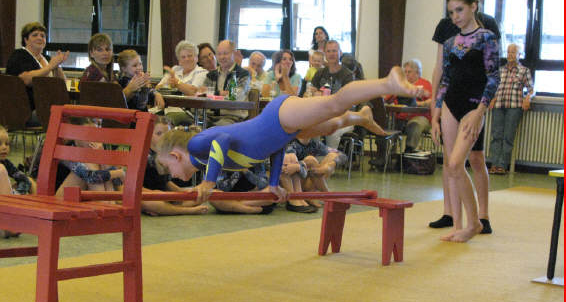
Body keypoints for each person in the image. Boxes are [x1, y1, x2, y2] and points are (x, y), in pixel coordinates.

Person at [157, 65, 422, 205]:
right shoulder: (206, 159)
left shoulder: (197, 145)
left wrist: (209, 182)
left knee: (334, 104)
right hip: (282, 131)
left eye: (167, 167)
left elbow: (222, 140)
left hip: (278, 116)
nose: (171, 175)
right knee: (331, 125)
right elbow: (275, 147)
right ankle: (362, 116)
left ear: (176, 155)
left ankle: (387, 83)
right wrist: (273, 183)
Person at [429, 0, 501, 233]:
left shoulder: (487, 35)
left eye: (459, 10)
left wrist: (481, 110)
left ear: (473, 4)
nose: (455, 16)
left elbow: (493, 77)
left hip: (474, 104)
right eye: (451, 12)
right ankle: (457, 223)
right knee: (451, 163)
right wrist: (435, 110)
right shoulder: (450, 40)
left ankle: (478, 220)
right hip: (451, 103)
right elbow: (445, 75)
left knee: (466, 160)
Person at [371, 59, 433, 168]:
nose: (406, 74)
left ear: (417, 73)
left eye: (409, 72)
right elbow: (386, 98)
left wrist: (418, 104)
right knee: (385, 124)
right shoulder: (401, 85)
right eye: (405, 72)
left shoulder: (425, 84)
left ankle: (407, 156)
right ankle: (384, 156)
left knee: (415, 125)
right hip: (400, 116)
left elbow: (432, 101)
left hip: (420, 116)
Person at [5, 22, 69, 124]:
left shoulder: (47, 58)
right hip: (26, 110)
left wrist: (57, 66)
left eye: (43, 36)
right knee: (68, 117)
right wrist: (50, 67)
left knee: (72, 113)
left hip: (48, 106)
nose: (39, 38)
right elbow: (27, 80)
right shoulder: (19, 55)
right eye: (35, 35)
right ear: (26, 39)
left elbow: (62, 85)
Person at [141, 119, 208, 216]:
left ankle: (169, 208)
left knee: (197, 196)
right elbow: (131, 186)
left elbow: (166, 182)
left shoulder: (167, 154)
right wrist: (156, 194)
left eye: (167, 133)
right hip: (146, 194)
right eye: (159, 133)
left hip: (163, 194)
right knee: (152, 203)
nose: (163, 137)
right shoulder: (142, 154)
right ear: (148, 135)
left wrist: (180, 192)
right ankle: (185, 210)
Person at [488, 43, 534, 175]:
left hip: (514, 107)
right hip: (498, 105)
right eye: (508, 52)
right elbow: (492, 86)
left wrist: (528, 98)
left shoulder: (524, 71)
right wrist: (492, 97)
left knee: (508, 137)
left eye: (513, 52)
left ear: (519, 55)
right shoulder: (500, 70)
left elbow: (531, 89)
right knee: (496, 136)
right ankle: (494, 164)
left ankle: (502, 165)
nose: (510, 55)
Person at [56, 118, 126, 197]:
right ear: (75, 136)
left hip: (82, 196)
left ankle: (107, 203)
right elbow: (91, 177)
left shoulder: (95, 151)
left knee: (103, 169)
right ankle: (105, 203)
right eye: (87, 135)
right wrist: (119, 173)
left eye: (95, 135)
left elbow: (117, 183)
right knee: (91, 166)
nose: (92, 140)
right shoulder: (67, 151)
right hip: (63, 196)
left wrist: (102, 156)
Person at [310, 40, 358, 149]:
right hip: (322, 116)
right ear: (325, 54)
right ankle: (314, 156)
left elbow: (347, 102)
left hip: (344, 117)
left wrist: (321, 95)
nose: (331, 54)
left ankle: (330, 158)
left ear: (340, 53)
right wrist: (312, 93)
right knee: (310, 128)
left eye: (334, 51)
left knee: (332, 130)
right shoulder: (319, 73)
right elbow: (309, 93)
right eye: (328, 51)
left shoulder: (348, 75)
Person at [281, 137, 344, 212]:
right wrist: (300, 167)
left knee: (332, 156)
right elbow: (286, 168)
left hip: (304, 177)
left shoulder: (314, 143)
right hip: (292, 185)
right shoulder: (291, 144)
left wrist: (329, 166)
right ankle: (328, 196)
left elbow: (342, 155)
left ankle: (318, 196)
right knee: (310, 160)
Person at [155, 40, 207, 125]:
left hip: (189, 112)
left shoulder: (202, 72)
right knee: (148, 117)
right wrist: (158, 93)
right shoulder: (175, 69)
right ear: (179, 61)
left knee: (164, 120)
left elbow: (193, 92)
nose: (187, 59)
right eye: (183, 57)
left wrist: (177, 83)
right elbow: (158, 87)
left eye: (190, 56)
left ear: (196, 58)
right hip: (167, 108)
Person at [202, 40, 250, 126]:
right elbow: (203, 95)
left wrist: (214, 94)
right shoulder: (211, 75)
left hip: (232, 118)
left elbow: (234, 97)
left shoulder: (243, 74)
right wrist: (221, 93)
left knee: (216, 128)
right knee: (191, 125)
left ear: (234, 53)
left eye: (225, 53)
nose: (222, 57)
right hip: (209, 116)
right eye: (219, 54)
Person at [0, 122, 36, 195]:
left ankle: (39, 201)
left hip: (2, 193)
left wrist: (18, 192)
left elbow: (23, 178)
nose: (4, 147)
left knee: (30, 181)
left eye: (7, 144)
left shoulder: (5, 162)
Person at [210, 163, 277, 215]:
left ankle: (234, 207)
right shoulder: (225, 161)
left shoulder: (257, 161)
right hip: (230, 197)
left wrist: (246, 172)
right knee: (213, 194)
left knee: (271, 192)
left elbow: (263, 185)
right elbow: (222, 188)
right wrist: (237, 172)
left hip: (251, 197)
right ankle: (253, 210)